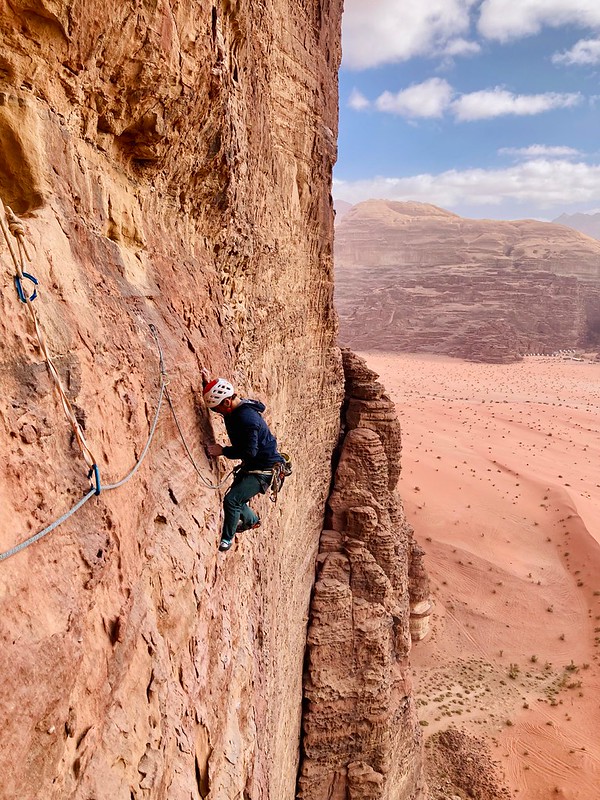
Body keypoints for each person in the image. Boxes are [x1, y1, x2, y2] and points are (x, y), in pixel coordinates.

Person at [201, 368, 284, 552]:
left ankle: (226, 540)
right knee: (239, 498)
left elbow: (250, 452)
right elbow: (221, 401)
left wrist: (223, 451)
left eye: (218, 409)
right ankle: (252, 521)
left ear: (227, 402)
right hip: (256, 465)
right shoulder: (236, 408)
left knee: (232, 500)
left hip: (263, 470)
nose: (217, 412)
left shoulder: (247, 420)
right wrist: (208, 386)